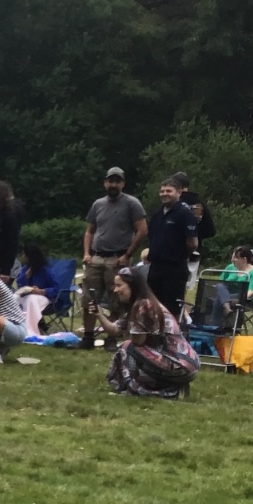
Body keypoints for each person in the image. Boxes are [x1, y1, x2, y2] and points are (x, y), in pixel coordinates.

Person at [106, 267, 199, 397]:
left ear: (132, 286)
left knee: (127, 347)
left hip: (178, 364)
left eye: (119, 285)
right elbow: (114, 329)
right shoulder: (146, 303)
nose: (115, 290)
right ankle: (172, 388)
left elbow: (138, 341)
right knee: (133, 348)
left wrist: (130, 331)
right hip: (189, 363)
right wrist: (98, 315)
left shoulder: (143, 305)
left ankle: (136, 390)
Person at [81, 167, 148, 347]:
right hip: (96, 257)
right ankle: (88, 337)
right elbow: (89, 231)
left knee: (116, 300)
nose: (113, 184)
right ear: (105, 183)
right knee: (89, 298)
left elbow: (142, 230)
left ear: (123, 184)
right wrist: (86, 253)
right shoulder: (98, 204)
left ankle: (112, 337)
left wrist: (128, 254)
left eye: (117, 181)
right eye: (111, 181)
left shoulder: (132, 203)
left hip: (117, 258)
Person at [143, 177, 198, 316]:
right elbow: (152, 238)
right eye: (162, 191)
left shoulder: (185, 214)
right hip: (155, 268)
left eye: (169, 191)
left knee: (171, 309)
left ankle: (172, 331)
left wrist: (180, 255)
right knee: (152, 306)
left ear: (179, 192)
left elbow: (193, 243)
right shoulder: (156, 215)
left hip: (174, 268)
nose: (164, 194)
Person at [15, 244, 61, 337]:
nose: (23, 257)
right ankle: (15, 327)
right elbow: (19, 284)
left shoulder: (46, 270)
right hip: (27, 295)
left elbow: (56, 288)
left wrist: (42, 291)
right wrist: (26, 276)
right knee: (14, 297)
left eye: (24, 255)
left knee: (32, 299)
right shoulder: (26, 268)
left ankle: (30, 329)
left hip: (44, 297)